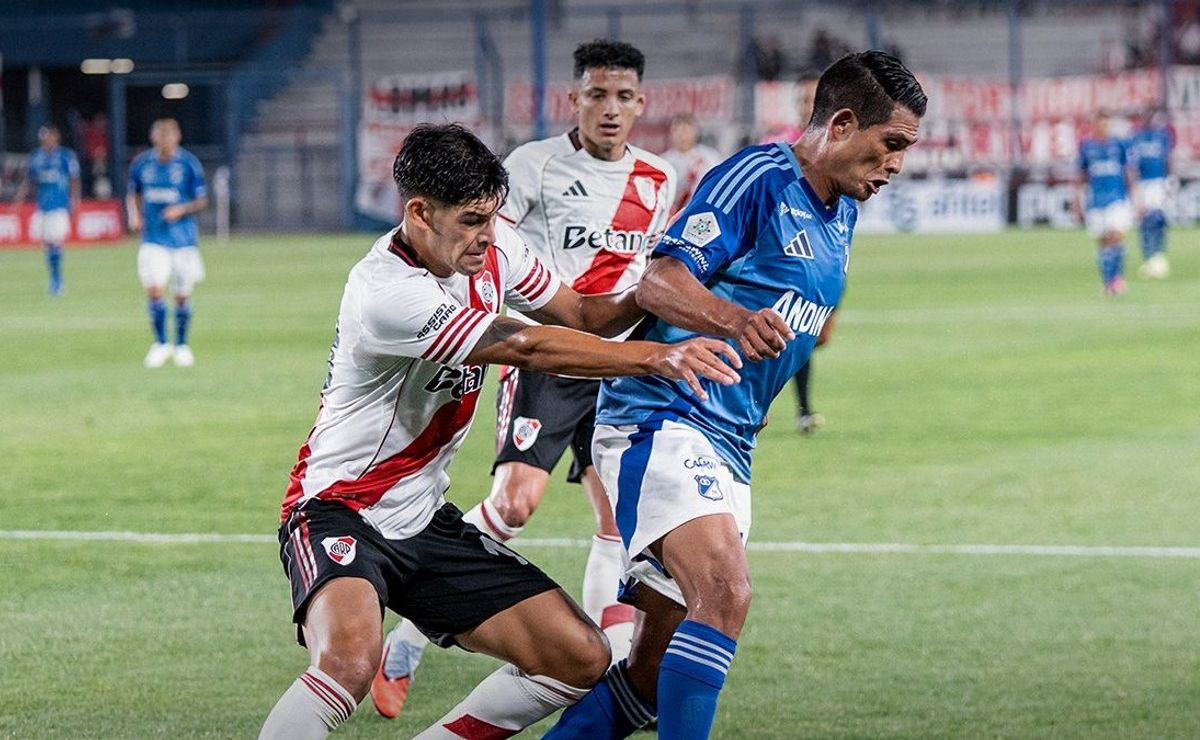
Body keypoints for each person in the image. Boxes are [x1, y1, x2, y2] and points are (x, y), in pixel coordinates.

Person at [259, 123, 740, 740]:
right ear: (419, 213)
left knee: (578, 656)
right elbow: (525, 345)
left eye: (491, 217)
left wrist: (653, 290)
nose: (488, 235)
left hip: (423, 519)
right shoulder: (385, 292)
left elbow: (583, 314)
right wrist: (655, 358)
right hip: (338, 509)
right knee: (350, 663)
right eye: (471, 221)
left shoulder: (494, 247)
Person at [543, 50, 926, 739]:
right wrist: (734, 321)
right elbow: (660, 281)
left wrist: (761, 390)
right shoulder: (760, 177)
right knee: (725, 592)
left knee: (650, 679)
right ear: (842, 124)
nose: (896, 164)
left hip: (731, 438)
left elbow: (786, 310)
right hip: (663, 415)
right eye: (891, 143)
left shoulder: (843, 210)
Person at [373, 39, 677, 718]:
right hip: (545, 355)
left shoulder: (660, 176)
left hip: (617, 364)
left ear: (641, 103)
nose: (609, 108)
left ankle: (610, 670)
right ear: (575, 98)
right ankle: (410, 637)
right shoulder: (533, 165)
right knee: (514, 505)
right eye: (596, 94)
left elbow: (648, 273)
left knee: (616, 520)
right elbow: (484, 254)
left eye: (623, 96)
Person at [126, 118, 208, 367]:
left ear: (177, 137)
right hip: (154, 239)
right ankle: (161, 343)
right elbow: (133, 193)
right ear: (153, 137)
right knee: (154, 289)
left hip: (183, 241)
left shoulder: (188, 164)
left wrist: (181, 210)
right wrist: (135, 215)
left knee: (181, 296)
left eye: (169, 134)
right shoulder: (142, 164)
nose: (164, 139)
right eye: (160, 134)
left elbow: (201, 200)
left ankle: (181, 345)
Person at [13, 124, 80, 295]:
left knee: (55, 240)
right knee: (46, 243)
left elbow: (74, 179)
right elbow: (29, 181)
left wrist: (75, 201)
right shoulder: (36, 157)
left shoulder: (66, 156)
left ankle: (57, 280)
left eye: (48, 136)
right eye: (43, 137)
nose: (45, 140)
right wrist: (19, 199)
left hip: (59, 205)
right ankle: (54, 278)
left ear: (55, 137)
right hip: (42, 206)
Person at [1076, 111, 1135, 295]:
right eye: (1099, 124)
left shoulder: (1118, 145)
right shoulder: (1086, 147)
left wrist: (1134, 195)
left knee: (1116, 235)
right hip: (1096, 201)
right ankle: (1108, 281)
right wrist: (1076, 200)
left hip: (1117, 198)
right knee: (1103, 243)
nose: (1103, 127)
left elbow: (1128, 171)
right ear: (1094, 125)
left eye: (1105, 124)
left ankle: (1118, 278)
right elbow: (1080, 175)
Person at [1128, 109, 1171, 279]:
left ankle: (1158, 254)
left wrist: (1170, 179)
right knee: (1145, 220)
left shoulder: (1162, 136)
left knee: (1158, 218)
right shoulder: (1136, 137)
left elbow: (1167, 158)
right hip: (1142, 183)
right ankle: (1147, 257)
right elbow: (1131, 164)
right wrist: (1133, 185)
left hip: (1158, 181)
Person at [662, 113, 722, 214]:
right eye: (678, 131)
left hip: (703, 211)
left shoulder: (710, 157)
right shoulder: (664, 162)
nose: (682, 136)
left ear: (695, 132)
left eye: (686, 131)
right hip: (674, 214)